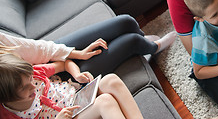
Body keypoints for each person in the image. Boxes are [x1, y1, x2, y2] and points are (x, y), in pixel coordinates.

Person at [0, 15, 177, 76]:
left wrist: (79, 53)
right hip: (57, 81)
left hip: (47, 57)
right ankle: (153, 48)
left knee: (126, 22)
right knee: (131, 40)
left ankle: (144, 44)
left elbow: (38, 49)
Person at [0, 46, 144, 119]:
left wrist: (77, 75)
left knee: (110, 80)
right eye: (25, 88)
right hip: (70, 116)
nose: (33, 86)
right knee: (105, 101)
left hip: (78, 97)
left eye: (30, 79)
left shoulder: (36, 73)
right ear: (9, 96)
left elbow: (64, 63)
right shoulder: (8, 114)